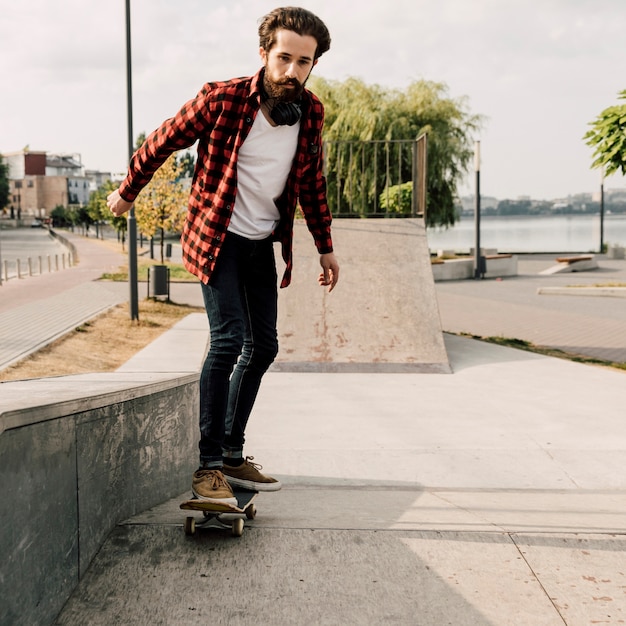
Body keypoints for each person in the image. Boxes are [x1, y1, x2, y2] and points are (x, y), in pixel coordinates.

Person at [107, 6, 339, 505]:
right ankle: (208, 466)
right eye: (284, 58)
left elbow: (311, 183)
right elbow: (161, 140)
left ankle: (232, 452)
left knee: (266, 346)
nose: (293, 71)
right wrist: (129, 192)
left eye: (304, 62)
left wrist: (325, 246)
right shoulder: (224, 99)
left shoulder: (312, 112)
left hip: (260, 241)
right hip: (217, 235)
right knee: (230, 338)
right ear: (264, 54)